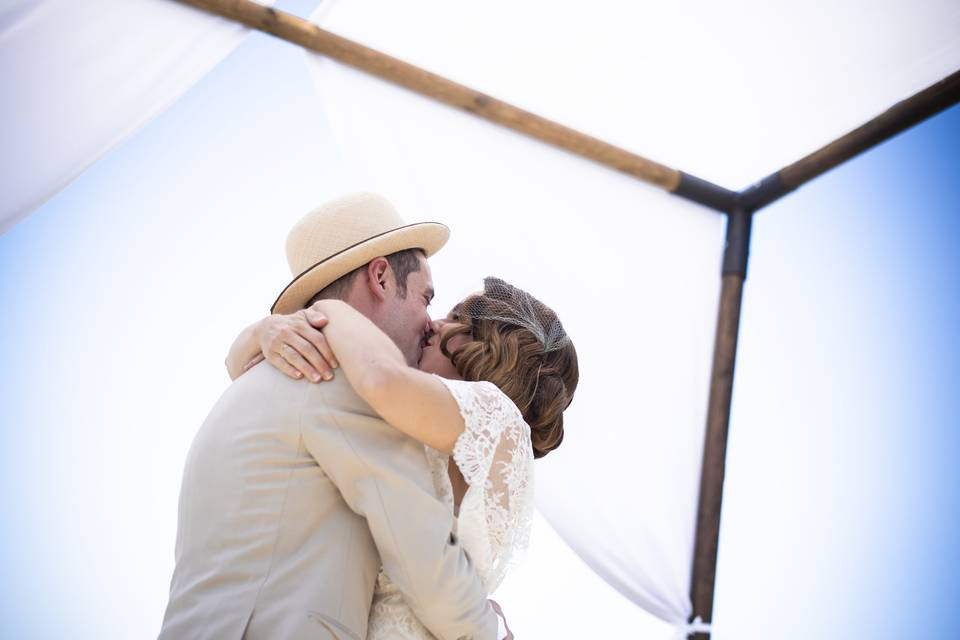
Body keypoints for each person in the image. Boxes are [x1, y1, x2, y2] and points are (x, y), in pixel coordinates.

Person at [160, 193, 510, 640]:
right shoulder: (337, 378)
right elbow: (424, 556)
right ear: (381, 277)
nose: (431, 323)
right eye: (426, 297)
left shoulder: (265, 376)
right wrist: (491, 631)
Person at [227, 277, 579, 637]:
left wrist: (331, 311)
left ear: (489, 345)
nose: (434, 322)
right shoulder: (426, 430)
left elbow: (381, 378)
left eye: (456, 317)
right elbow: (263, 387)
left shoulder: (496, 414)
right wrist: (262, 333)